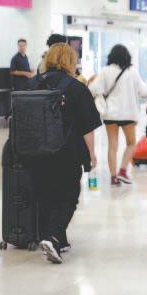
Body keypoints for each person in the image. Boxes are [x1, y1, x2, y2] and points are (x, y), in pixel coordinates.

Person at [31, 43, 101, 264]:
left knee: (45, 195)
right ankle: (53, 237)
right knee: (69, 196)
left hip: (34, 151)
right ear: (71, 61)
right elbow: (87, 127)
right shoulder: (76, 88)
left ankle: (55, 239)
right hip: (66, 151)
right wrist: (92, 154)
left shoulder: (33, 84)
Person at [89, 44, 147, 186]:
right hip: (128, 114)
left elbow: (92, 89)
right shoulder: (132, 72)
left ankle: (113, 177)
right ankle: (122, 171)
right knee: (131, 143)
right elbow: (144, 92)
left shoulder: (105, 71)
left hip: (110, 114)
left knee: (112, 146)